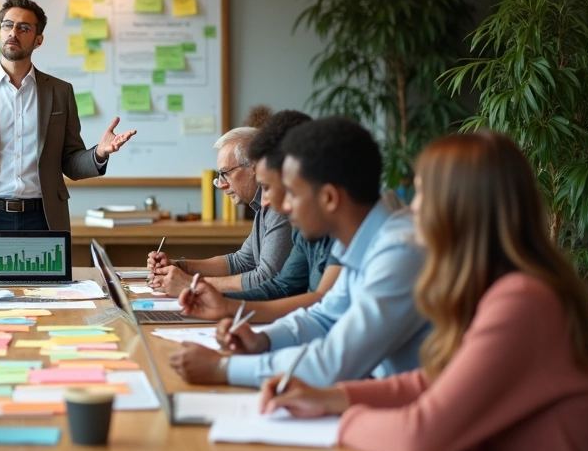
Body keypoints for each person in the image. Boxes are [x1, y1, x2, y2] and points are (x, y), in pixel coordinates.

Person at [261, 132, 588, 451]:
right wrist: (331, 398)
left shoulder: (522, 301)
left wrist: (340, 420)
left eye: (424, 193)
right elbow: (433, 382)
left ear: (460, 208)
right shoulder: (495, 288)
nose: (413, 208)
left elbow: (418, 435)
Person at [169, 117, 430, 388]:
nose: (278, 204)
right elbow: (324, 316)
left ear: (329, 198)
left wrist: (224, 367)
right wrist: (264, 340)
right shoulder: (357, 238)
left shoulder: (400, 253)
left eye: (291, 192)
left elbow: (334, 363)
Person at [0, 0, 138, 269]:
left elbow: (70, 162)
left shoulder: (60, 92)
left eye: (24, 28)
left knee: (46, 303)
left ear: (38, 40)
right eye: (7, 25)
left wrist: (99, 153)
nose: (13, 32)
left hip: (42, 219)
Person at [175, 110, 341, 324]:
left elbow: (327, 324)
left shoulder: (381, 247)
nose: (266, 203)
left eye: (271, 187)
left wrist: (192, 284)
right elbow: (285, 289)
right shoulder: (313, 231)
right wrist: (224, 305)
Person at [149, 123, 293, 295]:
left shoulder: (279, 207)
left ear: (254, 167)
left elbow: (265, 279)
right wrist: (179, 266)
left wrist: (191, 284)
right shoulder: (260, 206)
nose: (221, 184)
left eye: (226, 173)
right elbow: (241, 262)